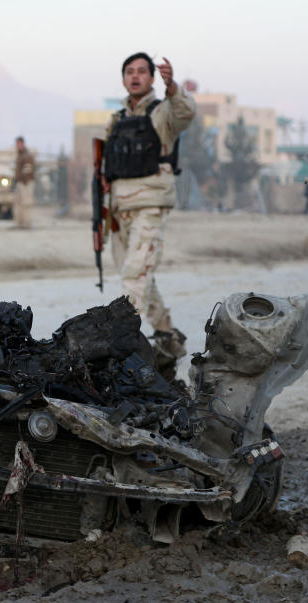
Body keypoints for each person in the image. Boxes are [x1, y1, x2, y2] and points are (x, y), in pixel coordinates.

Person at [102, 52, 195, 370]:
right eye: (129, 71)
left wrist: (173, 87)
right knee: (142, 279)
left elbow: (187, 111)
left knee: (133, 276)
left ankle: (122, 354)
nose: (135, 76)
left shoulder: (162, 112)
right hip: (120, 208)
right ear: (124, 78)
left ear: (152, 78)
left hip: (150, 206)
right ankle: (169, 340)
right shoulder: (116, 119)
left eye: (142, 71)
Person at [12, 136, 35, 229]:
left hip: (26, 183)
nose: (17, 146)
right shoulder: (19, 155)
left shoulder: (27, 155)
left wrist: (24, 181)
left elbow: (28, 170)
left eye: (19, 144)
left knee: (26, 203)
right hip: (20, 182)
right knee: (18, 204)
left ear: (22, 144)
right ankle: (19, 223)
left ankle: (26, 223)